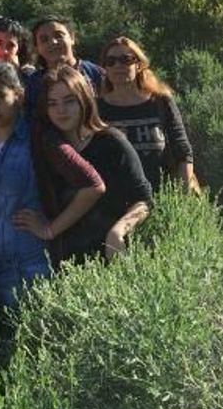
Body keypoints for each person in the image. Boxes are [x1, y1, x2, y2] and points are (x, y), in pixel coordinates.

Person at [0, 61, 103, 307]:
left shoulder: (40, 139)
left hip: (27, 272)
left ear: (18, 95)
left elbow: (93, 185)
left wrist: (50, 229)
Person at [39, 66, 153, 262]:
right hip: (59, 262)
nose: (61, 111)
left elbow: (144, 201)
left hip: (108, 259)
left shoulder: (112, 142)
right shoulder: (46, 148)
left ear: (84, 100)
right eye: (52, 103)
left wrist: (118, 230)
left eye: (69, 101)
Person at [96, 37, 200, 193]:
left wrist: (183, 194)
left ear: (139, 65)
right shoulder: (97, 108)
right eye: (111, 61)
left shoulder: (160, 102)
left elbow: (182, 151)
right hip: (115, 204)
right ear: (105, 68)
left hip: (161, 197)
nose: (118, 65)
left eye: (126, 60)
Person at [26, 16, 105, 96]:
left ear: (72, 38)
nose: (53, 42)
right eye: (44, 40)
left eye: (59, 36)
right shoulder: (34, 84)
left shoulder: (96, 74)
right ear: (36, 48)